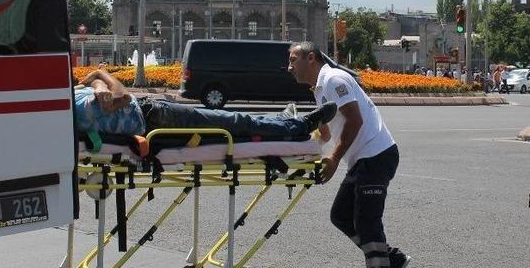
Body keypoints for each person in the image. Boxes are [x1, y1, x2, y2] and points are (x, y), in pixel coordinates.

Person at [287, 42, 410, 268]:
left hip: (376, 155)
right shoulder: (319, 88)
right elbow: (324, 133)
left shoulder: (334, 80)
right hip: (362, 159)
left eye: (293, 60)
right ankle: (392, 258)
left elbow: (355, 121)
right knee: (341, 215)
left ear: (311, 58)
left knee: (367, 221)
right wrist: (296, 150)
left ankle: (381, 264)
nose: (289, 67)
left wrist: (333, 159)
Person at [74, 69, 337, 139]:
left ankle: (284, 121)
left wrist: (96, 85)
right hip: (155, 117)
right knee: (234, 122)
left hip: (154, 113)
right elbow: (121, 96)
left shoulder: (72, 99)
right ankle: (296, 126)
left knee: (234, 120)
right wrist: (100, 76)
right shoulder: (78, 107)